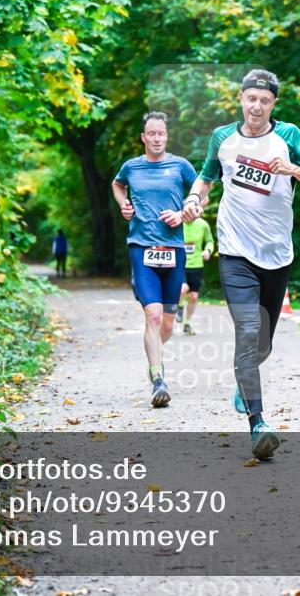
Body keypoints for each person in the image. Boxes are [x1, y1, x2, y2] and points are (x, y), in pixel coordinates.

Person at [182, 69, 300, 459]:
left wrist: (292, 169)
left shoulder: (290, 137)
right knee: (248, 332)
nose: (256, 106)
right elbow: (205, 179)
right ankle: (258, 423)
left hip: (277, 254)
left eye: (264, 100)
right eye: (251, 99)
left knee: (263, 342)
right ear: (241, 99)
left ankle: (245, 383)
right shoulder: (222, 138)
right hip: (234, 251)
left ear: (273, 104)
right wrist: (194, 201)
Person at [113, 111, 198, 408]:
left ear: (167, 136)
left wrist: (187, 210)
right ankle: (158, 378)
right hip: (141, 247)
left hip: (173, 250)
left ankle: (154, 355)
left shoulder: (180, 167)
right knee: (153, 315)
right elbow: (117, 184)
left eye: (162, 133)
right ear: (144, 137)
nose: (157, 138)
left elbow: (201, 193)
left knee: (167, 326)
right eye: (152, 134)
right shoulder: (131, 167)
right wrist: (124, 204)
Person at [175, 210, 214, 335]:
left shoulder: (203, 225)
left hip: (197, 265)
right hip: (180, 263)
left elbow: (210, 241)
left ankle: (187, 322)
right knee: (183, 289)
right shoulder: (178, 223)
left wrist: (208, 250)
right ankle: (179, 308)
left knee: (194, 297)